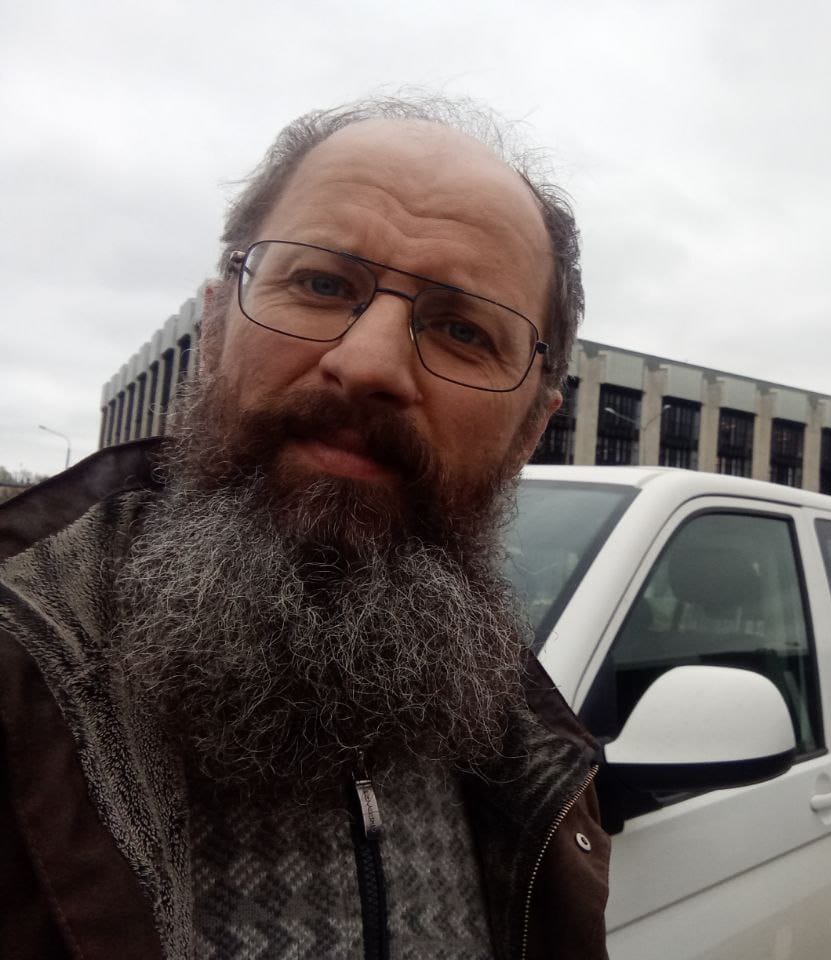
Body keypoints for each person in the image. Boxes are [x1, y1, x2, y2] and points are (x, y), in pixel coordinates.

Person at [0, 96, 609, 959]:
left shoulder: (531, 747)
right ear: (216, 327)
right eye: (323, 285)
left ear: (528, 433)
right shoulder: (18, 664)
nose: (367, 364)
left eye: (463, 330)